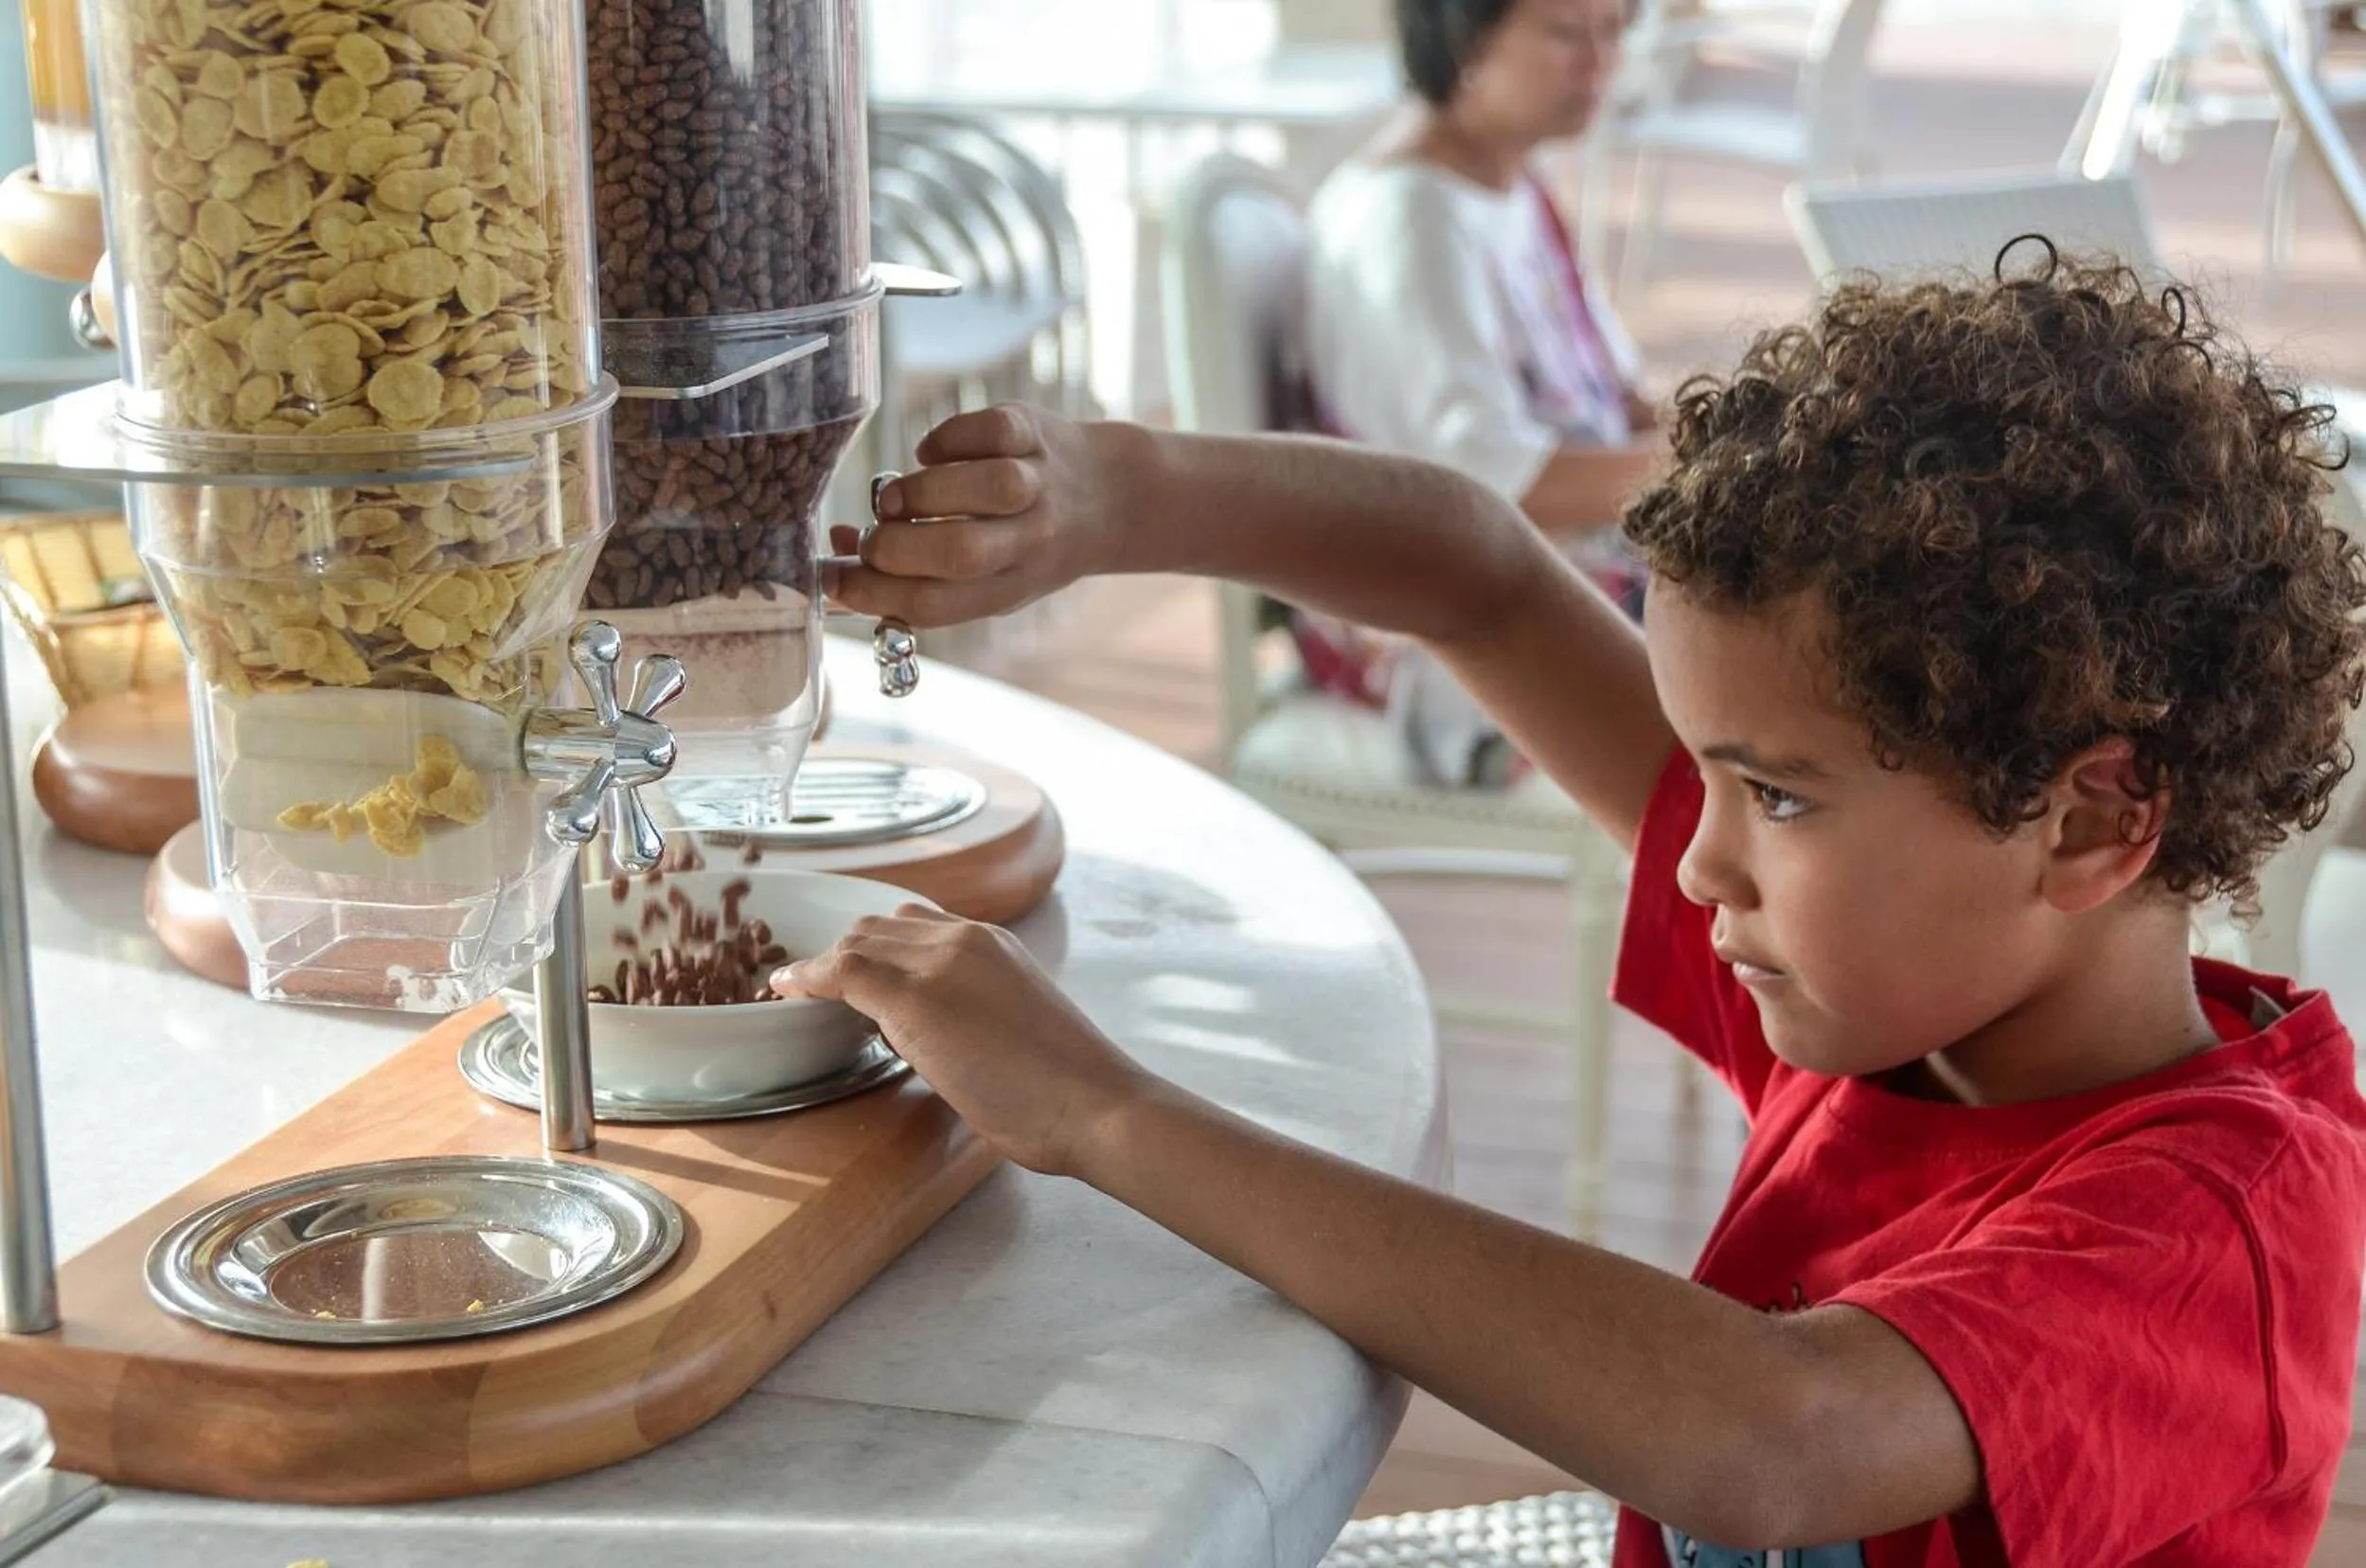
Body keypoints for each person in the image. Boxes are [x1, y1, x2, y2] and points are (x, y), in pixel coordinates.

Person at [789, 246, 2366, 1564]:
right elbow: (1472, 571)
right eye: (1708, 773)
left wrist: (1100, 1111)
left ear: (2087, 820)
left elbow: (1771, 1436)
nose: (1696, 858)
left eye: (1780, 794)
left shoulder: (2214, 1223)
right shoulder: (1908, 982)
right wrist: (1110, 492)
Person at [1295, 0, 1665, 786]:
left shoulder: (1510, 185)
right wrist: (1693, 467)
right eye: (1566, 34)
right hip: (1464, 625)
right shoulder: (1410, 221)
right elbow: (1487, 484)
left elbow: (1618, 402)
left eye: (1612, 32)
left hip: (1556, 569)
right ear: (1461, 39)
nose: (1598, 66)